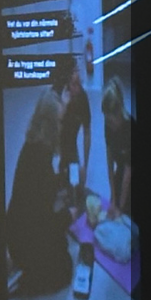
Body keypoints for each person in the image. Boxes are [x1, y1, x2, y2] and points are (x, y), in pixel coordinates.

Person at [7, 89, 73, 295]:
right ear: (51, 126)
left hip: (16, 229)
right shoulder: (40, 160)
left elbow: (38, 192)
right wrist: (68, 216)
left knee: (61, 242)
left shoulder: (32, 146)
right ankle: (23, 280)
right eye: (60, 122)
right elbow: (43, 219)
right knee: (65, 268)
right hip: (24, 240)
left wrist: (58, 184)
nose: (63, 126)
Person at [56, 54, 91, 205]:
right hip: (56, 138)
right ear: (67, 84)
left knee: (76, 185)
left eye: (79, 83)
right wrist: (64, 106)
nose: (78, 87)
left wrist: (85, 166)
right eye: (74, 84)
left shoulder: (83, 99)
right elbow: (53, 130)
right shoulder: (59, 96)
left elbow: (87, 133)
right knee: (60, 189)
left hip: (70, 142)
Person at [101, 76, 133, 220]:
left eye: (111, 121)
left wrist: (120, 206)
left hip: (131, 175)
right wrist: (113, 199)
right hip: (120, 172)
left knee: (125, 218)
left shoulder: (130, 128)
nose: (109, 125)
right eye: (106, 120)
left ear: (119, 112)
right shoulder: (107, 126)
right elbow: (109, 163)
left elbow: (128, 172)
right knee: (112, 212)